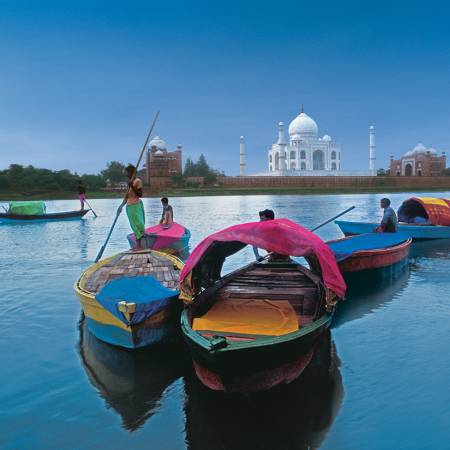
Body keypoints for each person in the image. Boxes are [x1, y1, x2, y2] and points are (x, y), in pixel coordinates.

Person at [121, 164, 145, 249]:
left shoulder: (137, 181)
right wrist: (121, 206)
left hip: (136, 206)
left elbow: (140, 194)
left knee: (139, 225)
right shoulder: (129, 182)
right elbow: (127, 196)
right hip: (129, 207)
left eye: (127, 172)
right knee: (134, 226)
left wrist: (132, 186)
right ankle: (138, 246)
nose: (126, 174)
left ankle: (140, 246)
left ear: (131, 173)